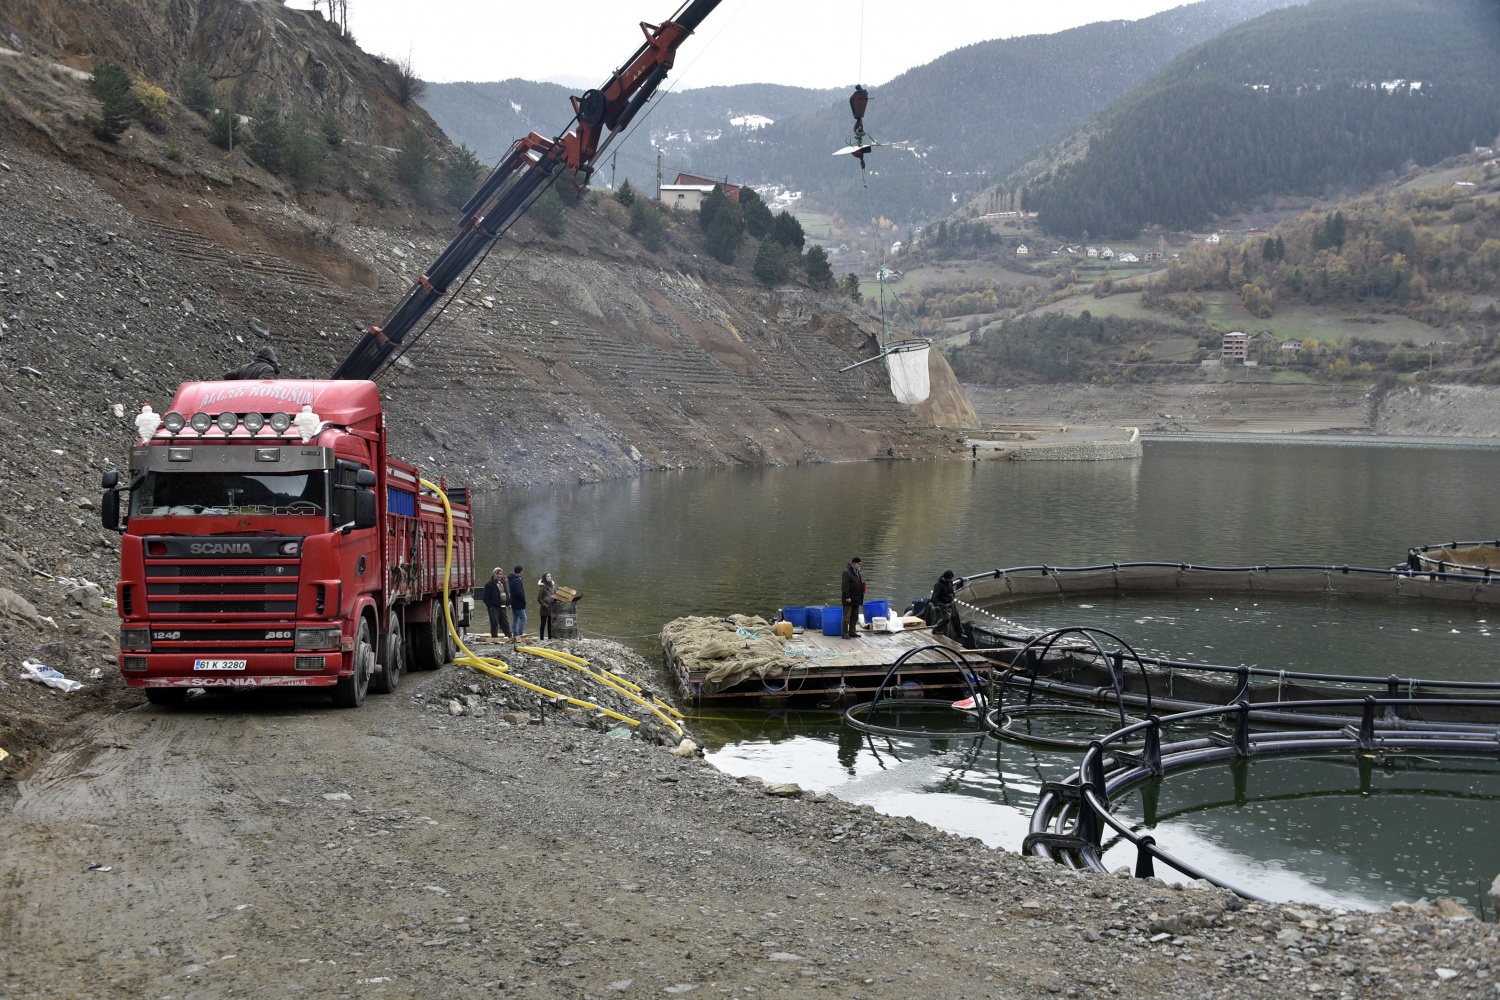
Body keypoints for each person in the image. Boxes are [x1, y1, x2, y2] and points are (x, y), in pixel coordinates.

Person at [929, 569, 961, 640]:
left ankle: (959, 632)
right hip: (943, 604)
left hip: (950, 602)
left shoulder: (950, 583)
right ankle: (936, 629)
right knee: (946, 618)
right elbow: (934, 598)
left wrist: (952, 597)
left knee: (955, 617)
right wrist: (940, 605)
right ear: (946, 577)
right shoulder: (938, 585)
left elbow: (951, 591)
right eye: (950, 578)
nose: (951, 580)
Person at [482, 567, 511, 640]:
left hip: (503, 606)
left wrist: (508, 603)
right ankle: (494, 636)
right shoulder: (489, 584)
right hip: (494, 607)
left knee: (505, 622)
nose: (499, 575)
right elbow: (485, 598)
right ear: (494, 574)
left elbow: (506, 593)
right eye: (497, 574)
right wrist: (490, 607)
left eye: (500, 574)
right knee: (494, 622)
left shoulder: (503, 582)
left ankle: (509, 636)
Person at [840, 556, 864, 639]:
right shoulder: (846, 572)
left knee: (855, 617)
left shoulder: (857, 572)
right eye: (859, 564)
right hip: (849, 599)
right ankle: (844, 633)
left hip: (856, 599)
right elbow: (845, 586)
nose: (860, 565)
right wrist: (847, 597)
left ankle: (852, 632)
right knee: (847, 617)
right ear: (854, 563)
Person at [508, 565, 528, 639]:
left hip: (513, 601)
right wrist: (523, 599)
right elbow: (519, 592)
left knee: (515, 618)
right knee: (524, 618)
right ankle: (520, 633)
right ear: (521, 571)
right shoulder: (517, 580)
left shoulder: (511, 578)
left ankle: (515, 633)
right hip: (518, 603)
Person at [536, 572, 558, 641]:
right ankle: (541, 638)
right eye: (548, 576)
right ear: (544, 578)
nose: (549, 577)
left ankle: (550, 637)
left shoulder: (553, 587)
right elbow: (539, 598)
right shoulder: (542, 587)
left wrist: (556, 601)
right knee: (543, 624)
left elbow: (555, 595)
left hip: (552, 608)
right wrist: (545, 605)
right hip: (544, 609)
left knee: (550, 625)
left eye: (550, 576)